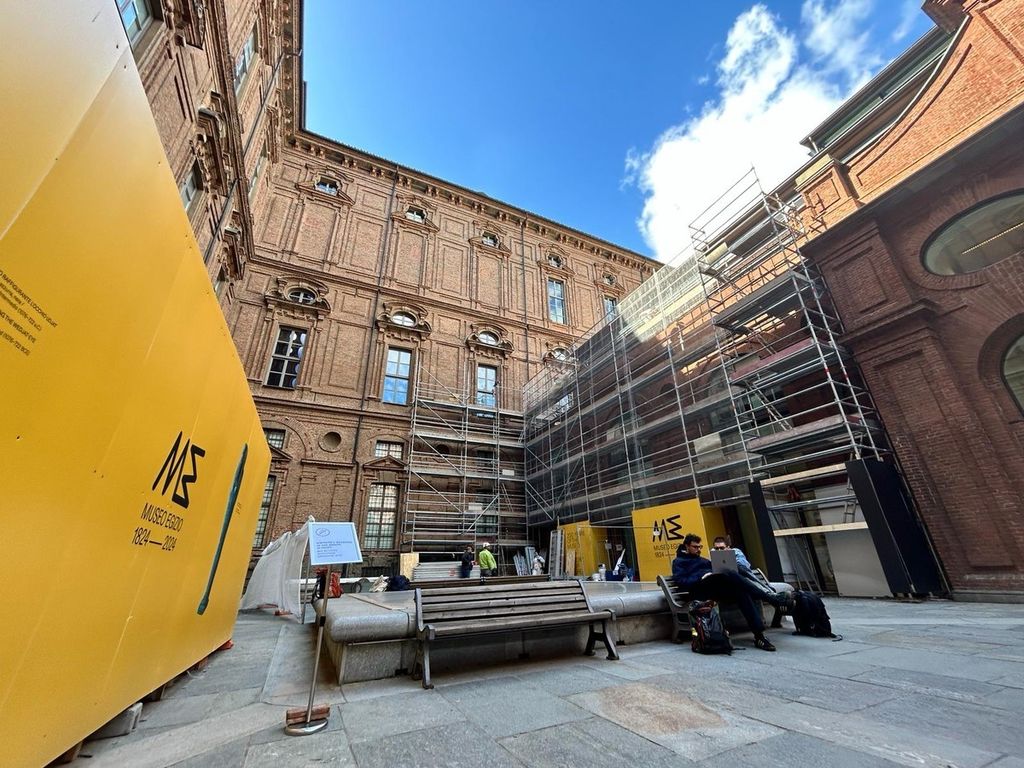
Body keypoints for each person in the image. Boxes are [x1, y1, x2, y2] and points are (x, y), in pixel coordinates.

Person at [672, 533, 786, 652]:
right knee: (730, 573)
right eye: (695, 547)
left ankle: (759, 636)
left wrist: (714, 572)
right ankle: (771, 599)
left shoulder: (703, 560)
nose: (698, 549)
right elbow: (681, 582)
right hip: (700, 591)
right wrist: (701, 576)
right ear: (687, 546)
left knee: (741, 592)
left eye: (699, 547)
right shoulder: (679, 562)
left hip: (715, 589)